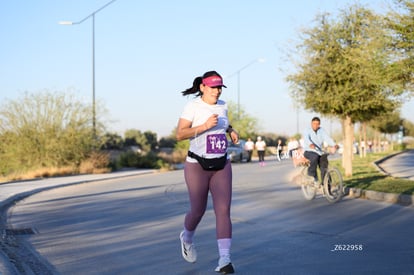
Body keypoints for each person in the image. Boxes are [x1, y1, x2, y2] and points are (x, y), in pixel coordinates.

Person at [176, 71, 238, 274]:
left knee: (223, 211)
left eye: (220, 87)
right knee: (198, 210)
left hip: (221, 164)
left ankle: (225, 260)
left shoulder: (223, 104)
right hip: (197, 165)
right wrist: (203, 126)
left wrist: (231, 131)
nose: (217, 90)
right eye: (213, 87)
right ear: (203, 87)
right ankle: (187, 237)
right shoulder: (193, 106)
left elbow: (223, 121)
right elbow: (180, 134)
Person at [302, 117, 338, 184]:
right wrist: (310, 144)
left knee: (324, 166)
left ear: (319, 124)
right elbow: (306, 139)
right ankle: (311, 175)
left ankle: (326, 185)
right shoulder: (307, 130)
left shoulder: (321, 130)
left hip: (319, 152)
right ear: (311, 124)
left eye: (317, 124)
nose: (315, 125)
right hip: (309, 151)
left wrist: (334, 144)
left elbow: (327, 138)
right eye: (314, 124)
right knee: (314, 157)